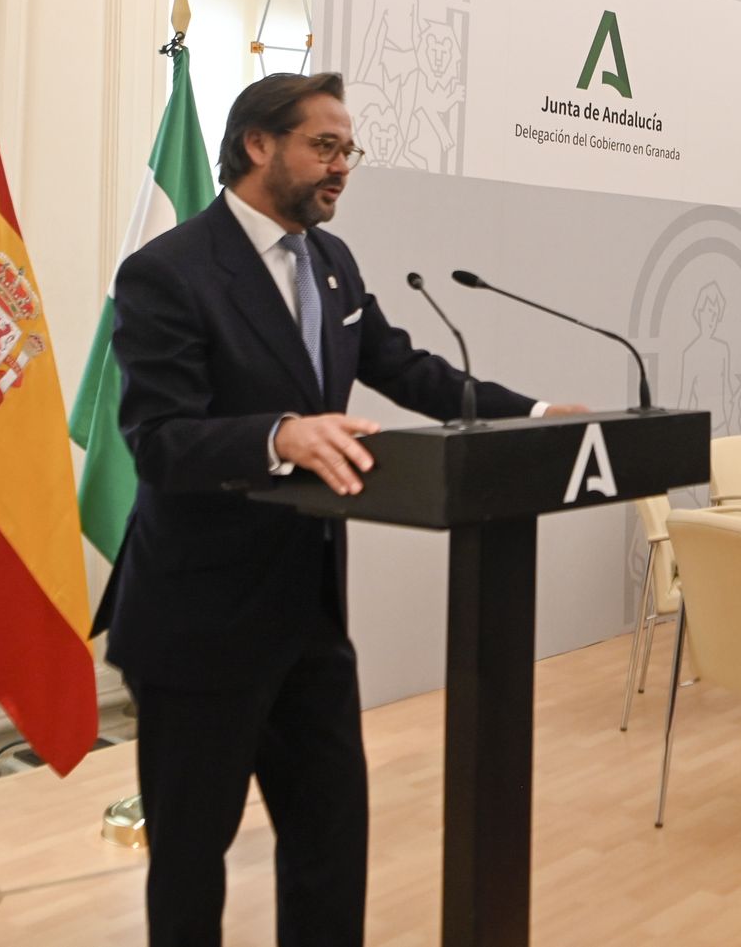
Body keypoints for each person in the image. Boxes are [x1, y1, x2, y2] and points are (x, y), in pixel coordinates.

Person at [92, 71, 582, 947]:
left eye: (349, 150)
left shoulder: (331, 261)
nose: (343, 166)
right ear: (257, 146)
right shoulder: (167, 272)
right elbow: (158, 438)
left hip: (308, 616)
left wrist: (535, 414)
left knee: (329, 844)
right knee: (191, 864)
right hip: (197, 622)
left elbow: (406, 367)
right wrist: (279, 433)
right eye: (326, 145)